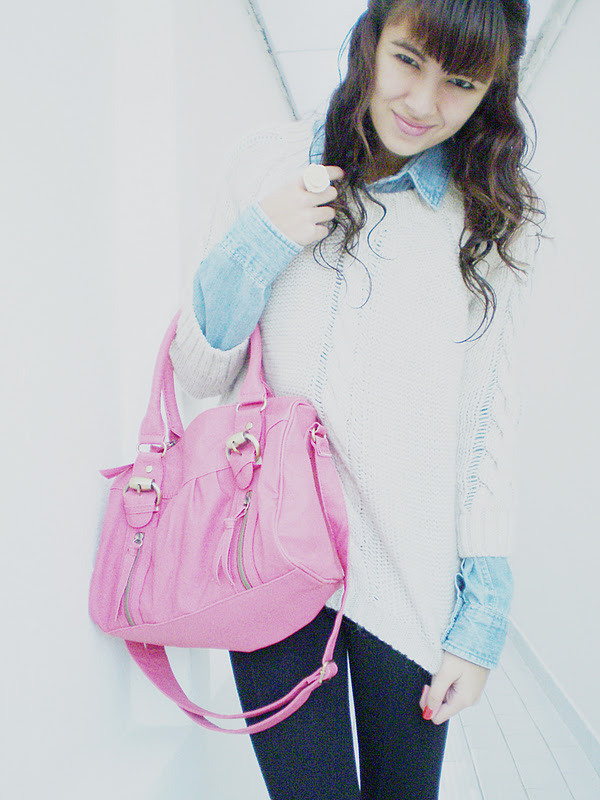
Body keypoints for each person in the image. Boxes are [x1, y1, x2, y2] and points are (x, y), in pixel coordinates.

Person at [170, 0, 541, 797]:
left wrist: (481, 617)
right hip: (270, 561)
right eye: (408, 60)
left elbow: (488, 420)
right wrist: (263, 235)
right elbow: (198, 372)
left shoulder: (489, 216)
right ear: (372, 37)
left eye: (461, 83)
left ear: (493, 89)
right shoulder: (266, 164)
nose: (423, 104)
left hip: (411, 575)